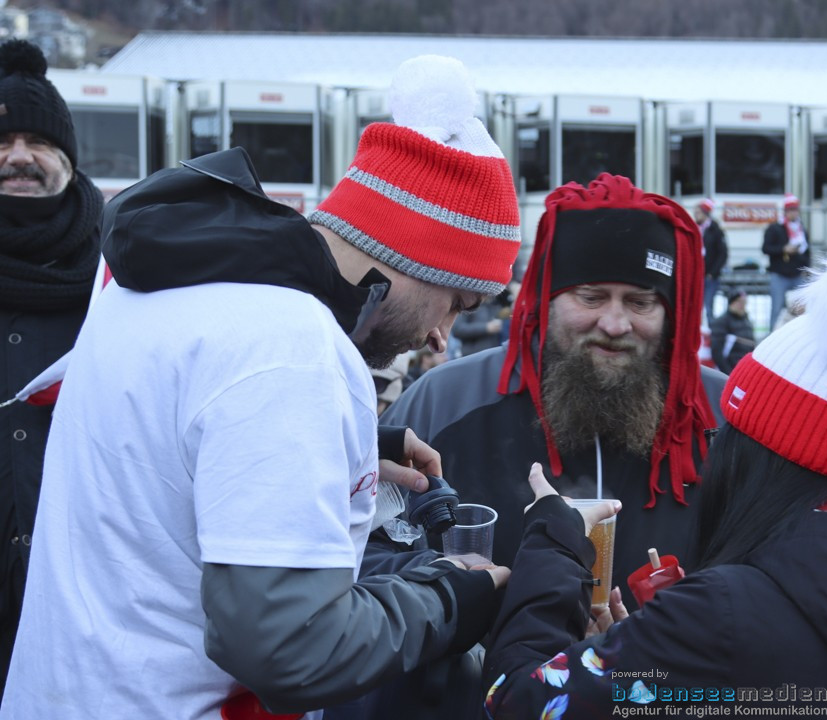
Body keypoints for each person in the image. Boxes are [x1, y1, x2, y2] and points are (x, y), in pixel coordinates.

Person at [1, 55, 517, 720]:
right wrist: (451, 599)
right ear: (419, 257)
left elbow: (168, 441)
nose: (445, 335)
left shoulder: (175, 280)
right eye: (458, 301)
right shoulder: (289, 348)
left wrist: (339, 449)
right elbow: (290, 651)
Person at [482, 250, 827, 718]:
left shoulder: (721, 611)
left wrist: (554, 544)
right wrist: (641, 661)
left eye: (727, 434)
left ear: (763, 456)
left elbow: (515, 700)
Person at [382, 173, 725, 609]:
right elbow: (365, 556)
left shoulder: (723, 416)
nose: (616, 324)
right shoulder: (447, 401)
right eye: (591, 297)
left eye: (640, 303)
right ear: (546, 298)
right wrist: (453, 605)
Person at [0, 39, 104, 699]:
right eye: (1, 139)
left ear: (67, 157)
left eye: (38, 140)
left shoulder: (124, 274)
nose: (16, 156)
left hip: (83, 597)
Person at [762, 192, 810, 331]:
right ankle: (772, 337)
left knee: (801, 308)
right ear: (785, 211)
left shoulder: (801, 229)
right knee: (776, 308)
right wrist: (783, 249)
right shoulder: (775, 228)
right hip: (779, 274)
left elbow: (807, 251)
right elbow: (766, 248)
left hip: (797, 274)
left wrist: (806, 268)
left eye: (795, 210)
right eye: (790, 210)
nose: (793, 213)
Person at [694, 198, 727, 325]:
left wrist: (713, 272)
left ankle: (711, 336)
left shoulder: (715, 230)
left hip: (709, 275)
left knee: (708, 306)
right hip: (696, 275)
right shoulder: (694, 228)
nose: (696, 215)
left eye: (698, 213)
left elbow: (722, 253)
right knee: (696, 307)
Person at [709, 288, 754, 374]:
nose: (742, 305)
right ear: (731, 302)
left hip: (745, 370)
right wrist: (728, 373)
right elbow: (716, 352)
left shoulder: (747, 321)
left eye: (744, 302)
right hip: (731, 371)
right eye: (739, 301)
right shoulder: (721, 322)